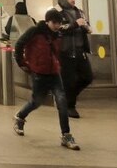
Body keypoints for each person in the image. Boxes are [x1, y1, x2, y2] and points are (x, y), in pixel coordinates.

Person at [11, 8, 80, 150]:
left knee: (62, 102)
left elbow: (63, 38)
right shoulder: (35, 31)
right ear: (47, 21)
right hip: (39, 73)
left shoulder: (58, 33)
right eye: (54, 23)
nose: (57, 25)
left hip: (54, 73)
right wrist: (22, 63)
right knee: (36, 101)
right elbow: (19, 44)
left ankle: (66, 135)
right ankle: (20, 117)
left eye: (59, 23)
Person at [57, 0, 93, 118]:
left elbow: (88, 26)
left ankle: (67, 98)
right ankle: (70, 106)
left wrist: (86, 27)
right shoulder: (58, 13)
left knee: (87, 77)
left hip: (80, 51)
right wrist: (75, 24)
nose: (73, 0)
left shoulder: (80, 12)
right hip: (66, 52)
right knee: (69, 81)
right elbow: (59, 28)